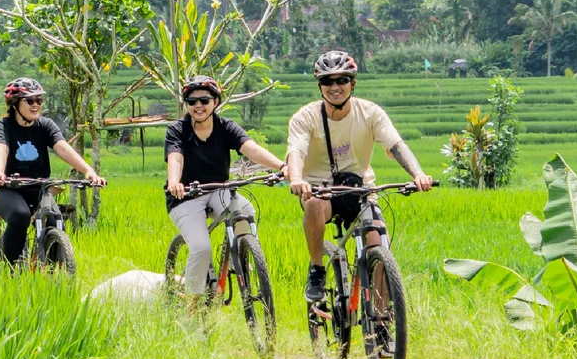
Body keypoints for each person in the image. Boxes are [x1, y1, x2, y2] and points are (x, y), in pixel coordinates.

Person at [285, 51, 435, 302]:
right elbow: (296, 151)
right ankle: (317, 269)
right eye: (327, 81)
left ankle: (381, 319)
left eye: (342, 80)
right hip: (321, 191)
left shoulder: (370, 113)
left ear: (352, 84)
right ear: (319, 86)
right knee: (312, 204)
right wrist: (297, 179)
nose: (335, 87)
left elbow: (397, 145)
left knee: (378, 246)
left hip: (361, 190)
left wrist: (418, 174)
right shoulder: (305, 117)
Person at [165, 76, 285, 304]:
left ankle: (240, 255)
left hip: (219, 190)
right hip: (186, 196)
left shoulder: (225, 127)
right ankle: (192, 302)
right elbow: (175, 157)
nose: (198, 105)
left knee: (245, 210)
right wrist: (174, 182)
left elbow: (252, 149)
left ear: (215, 102)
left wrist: (281, 166)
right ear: (186, 105)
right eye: (192, 101)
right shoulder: (177, 129)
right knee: (201, 248)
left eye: (204, 100)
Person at [0, 77, 104, 266]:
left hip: (40, 189)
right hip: (8, 188)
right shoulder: (4, 126)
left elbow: (62, 147)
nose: (36, 105)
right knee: (20, 216)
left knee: (55, 220)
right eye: (30, 100)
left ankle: (52, 274)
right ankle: (9, 271)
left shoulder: (45, 125)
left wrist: (88, 170)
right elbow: (2, 148)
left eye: (39, 100)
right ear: (15, 104)